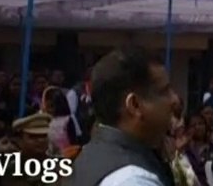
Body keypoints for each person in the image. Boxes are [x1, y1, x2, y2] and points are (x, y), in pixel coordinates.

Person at [69, 47, 177, 186]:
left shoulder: (90, 154)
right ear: (135, 105)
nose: (174, 100)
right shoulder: (133, 180)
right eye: (164, 91)